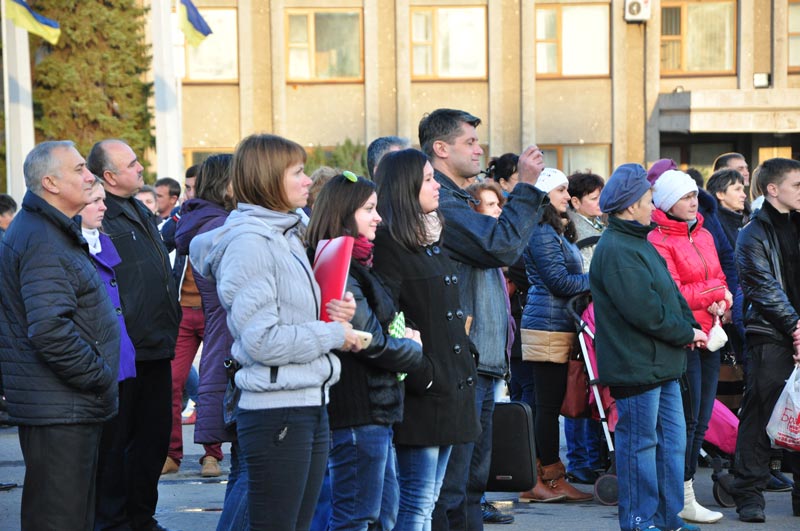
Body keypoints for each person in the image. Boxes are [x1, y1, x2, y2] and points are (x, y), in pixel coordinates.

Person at [189, 133, 362, 531]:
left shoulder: (287, 234)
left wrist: (337, 310)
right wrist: (333, 334)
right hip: (277, 410)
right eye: (297, 172)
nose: (308, 181)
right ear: (268, 180)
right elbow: (262, 340)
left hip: (307, 399)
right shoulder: (250, 244)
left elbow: (295, 315)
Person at [418, 108, 545, 530]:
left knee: (472, 486)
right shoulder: (442, 206)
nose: (479, 149)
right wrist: (526, 188)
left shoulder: (460, 201)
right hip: (463, 364)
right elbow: (501, 245)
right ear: (441, 148)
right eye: (469, 141)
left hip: (484, 363)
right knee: (452, 489)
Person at [0, 141, 120, 530]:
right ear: (50, 183)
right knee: (59, 520)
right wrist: (98, 376)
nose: (90, 176)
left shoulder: (49, 230)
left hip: (65, 405)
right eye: (79, 169)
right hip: (61, 407)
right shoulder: (43, 238)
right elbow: (50, 329)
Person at [590, 163, 706, 531]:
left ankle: (668, 518)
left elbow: (669, 295)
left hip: (661, 363)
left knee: (671, 444)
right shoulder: (618, 248)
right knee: (639, 447)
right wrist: (686, 332)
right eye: (648, 198)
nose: (653, 205)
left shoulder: (637, 241)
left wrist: (690, 326)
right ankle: (640, 521)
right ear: (630, 206)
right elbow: (645, 311)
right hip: (636, 365)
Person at [307, 172, 425, 531]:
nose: (378, 218)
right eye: (369, 209)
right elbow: (368, 341)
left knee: (380, 514)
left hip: (373, 408)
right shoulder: (343, 268)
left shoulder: (357, 263)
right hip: (358, 408)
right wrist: (413, 349)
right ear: (344, 212)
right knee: (356, 517)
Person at [371, 148, 480, 531]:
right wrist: (425, 375)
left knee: (431, 500)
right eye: (429, 179)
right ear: (406, 186)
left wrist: (466, 356)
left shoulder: (430, 236)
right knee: (416, 504)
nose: (437, 187)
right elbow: (388, 319)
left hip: (450, 384)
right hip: (423, 391)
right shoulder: (389, 243)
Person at [87, 139, 181, 531]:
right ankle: (114, 521)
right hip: (126, 350)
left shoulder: (138, 210)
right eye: (131, 163)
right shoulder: (99, 213)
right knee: (118, 445)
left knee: (153, 441)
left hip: (157, 346)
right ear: (109, 176)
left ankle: (142, 517)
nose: (141, 167)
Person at [649, 169, 731, 524]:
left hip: (711, 333)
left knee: (701, 420)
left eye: (694, 195)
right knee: (687, 419)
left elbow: (720, 277)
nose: (693, 202)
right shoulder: (657, 239)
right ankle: (678, 495)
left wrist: (723, 301)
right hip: (684, 338)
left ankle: (686, 493)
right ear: (668, 203)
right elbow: (673, 293)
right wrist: (716, 293)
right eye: (685, 197)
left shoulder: (705, 233)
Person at [175, 154, 248, 530]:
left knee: (244, 470)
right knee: (250, 469)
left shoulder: (207, 222)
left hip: (221, 335)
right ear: (226, 185)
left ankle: (208, 455)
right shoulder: (222, 226)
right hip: (233, 342)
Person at [729, 157, 800, 523]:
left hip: (795, 331)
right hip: (769, 333)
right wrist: (796, 328)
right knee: (760, 412)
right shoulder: (752, 233)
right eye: (796, 185)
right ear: (773, 189)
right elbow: (762, 287)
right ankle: (748, 494)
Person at [519, 168, 593, 503]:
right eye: (561, 190)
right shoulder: (542, 232)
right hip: (547, 324)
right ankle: (546, 478)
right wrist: (598, 278)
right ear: (545, 194)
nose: (567, 196)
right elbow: (560, 282)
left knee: (547, 404)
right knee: (546, 406)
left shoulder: (553, 230)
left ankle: (542, 476)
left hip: (555, 322)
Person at [563, 171, 606, 485]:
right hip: (582, 316)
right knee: (580, 387)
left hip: (593, 315)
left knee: (592, 387)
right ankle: (580, 459)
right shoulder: (574, 229)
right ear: (575, 202)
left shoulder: (598, 225)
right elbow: (586, 271)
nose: (600, 203)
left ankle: (591, 456)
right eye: (594, 198)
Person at [706, 168, 748, 247]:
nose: (744, 195)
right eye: (737, 189)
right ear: (720, 194)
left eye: (743, 190)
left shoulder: (748, 218)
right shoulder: (712, 224)